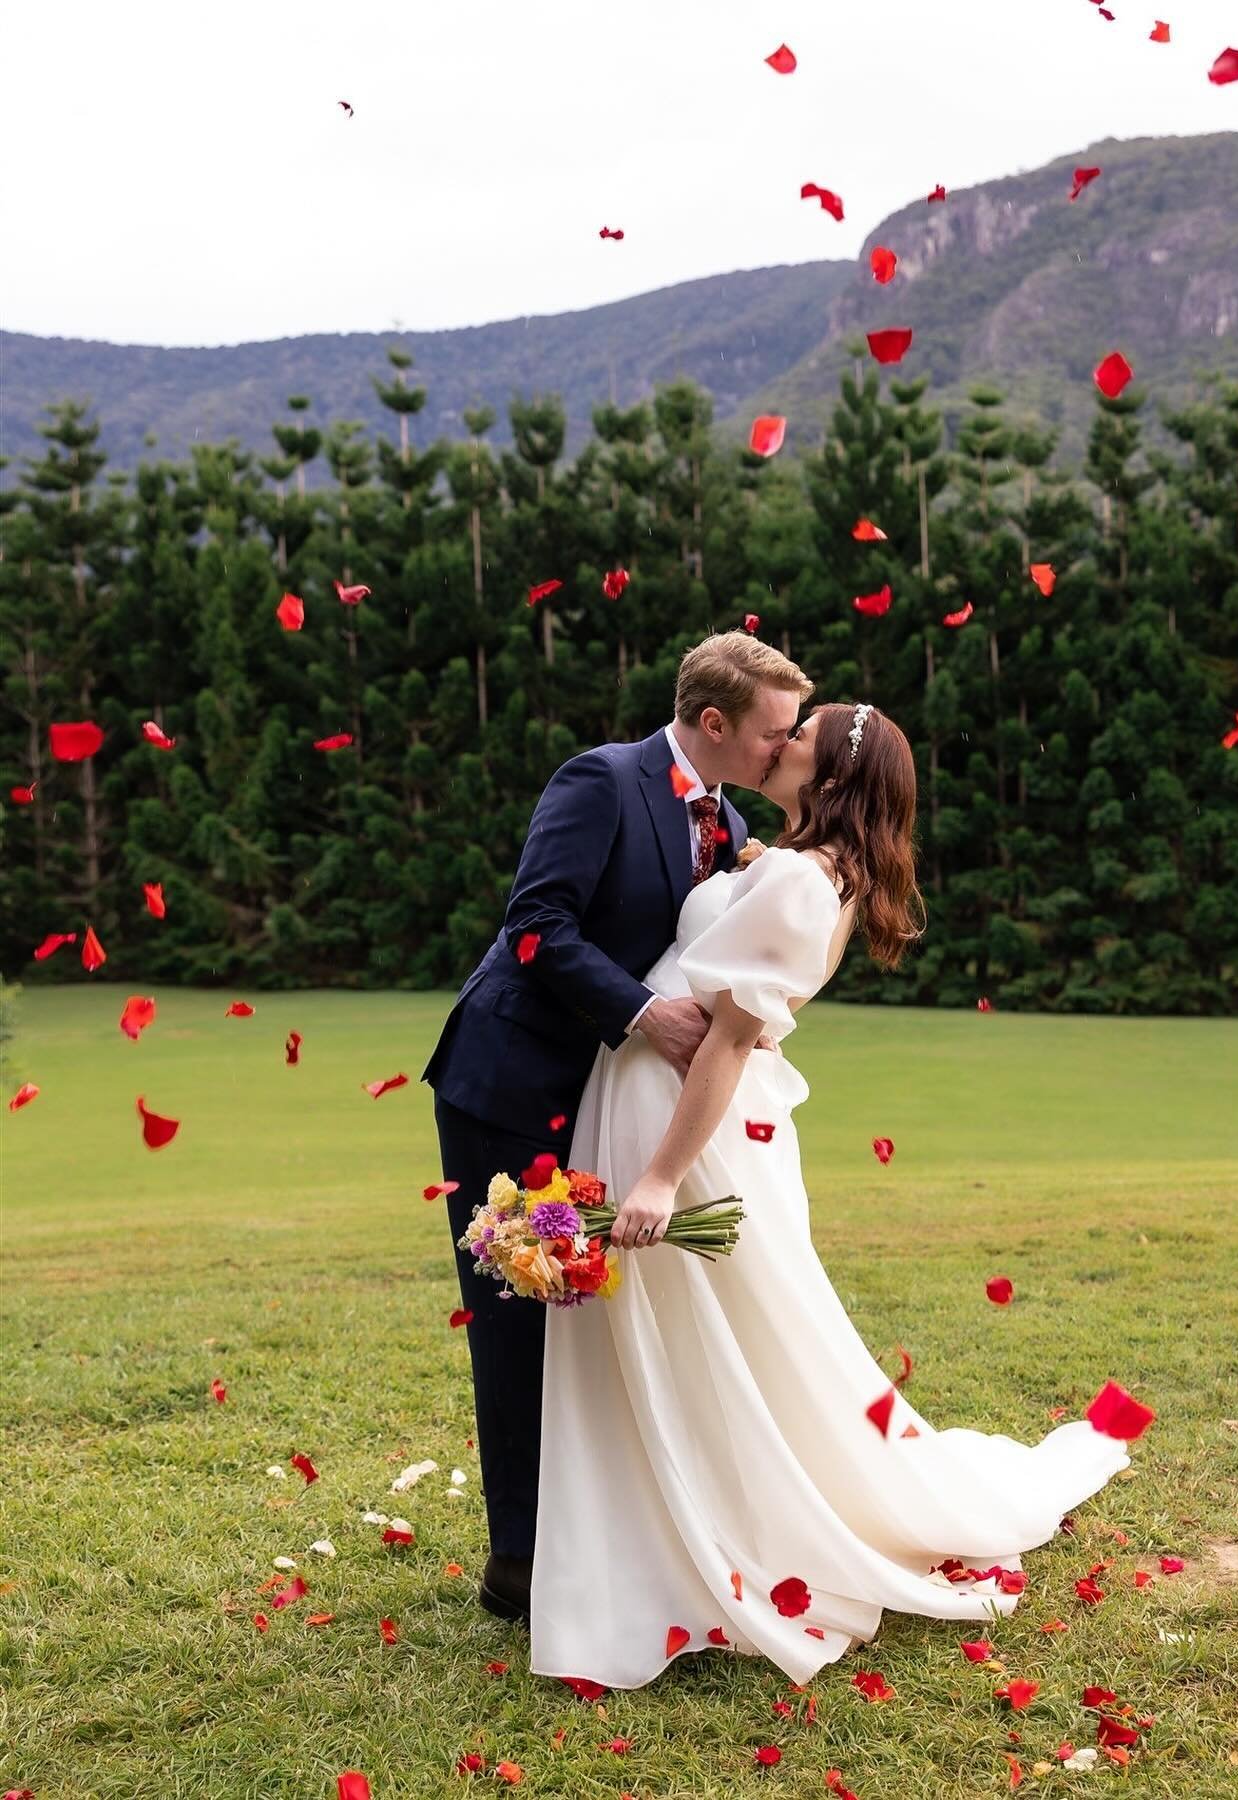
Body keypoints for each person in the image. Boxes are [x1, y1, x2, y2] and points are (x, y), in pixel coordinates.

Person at [528, 701, 1136, 1689]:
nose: (780, 741)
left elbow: (726, 1040)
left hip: (691, 1126)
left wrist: (661, 1178)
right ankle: (651, 1542)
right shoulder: (797, 870)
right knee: (697, 1341)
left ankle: (702, 1550)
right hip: (664, 1098)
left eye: (798, 733)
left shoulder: (808, 887)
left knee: (713, 1340)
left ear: (832, 770)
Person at [421, 631, 814, 1624]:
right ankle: (520, 1560)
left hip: (606, 1099)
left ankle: (608, 1531)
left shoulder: (725, 823)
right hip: (509, 1087)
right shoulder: (600, 781)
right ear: (715, 723)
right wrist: (646, 1017)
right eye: (773, 733)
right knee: (520, 1317)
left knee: (599, 1325)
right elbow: (537, 923)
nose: (784, 749)